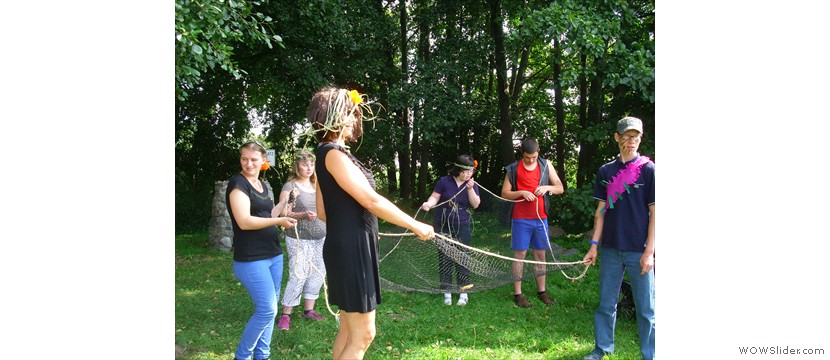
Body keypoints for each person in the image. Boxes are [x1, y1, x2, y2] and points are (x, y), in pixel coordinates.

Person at [308, 87, 435, 360]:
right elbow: (371, 200)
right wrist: (415, 225)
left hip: (345, 245)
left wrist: (361, 228)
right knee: (363, 335)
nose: (355, 119)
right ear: (336, 117)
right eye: (351, 114)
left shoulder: (324, 154)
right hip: (352, 250)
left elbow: (323, 211)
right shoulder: (334, 155)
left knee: (348, 331)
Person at [582, 116, 655, 360]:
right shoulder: (606, 171)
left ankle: (651, 355)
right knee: (606, 305)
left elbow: (656, 214)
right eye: (626, 136)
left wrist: (649, 252)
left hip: (639, 250)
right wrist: (594, 245)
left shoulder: (648, 170)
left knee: (646, 309)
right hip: (611, 249)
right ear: (617, 137)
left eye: (636, 136)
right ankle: (602, 349)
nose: (631, 141)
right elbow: (600, 212)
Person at [226, 141, 298, 360]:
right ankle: (242, 356)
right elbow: (244, 221)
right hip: (251, 258)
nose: (249, 164)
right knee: (267, 310)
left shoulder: (263, 185)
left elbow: (268, 215)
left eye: (254, 159)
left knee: (270, 310)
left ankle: (262, 355)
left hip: (273, 254)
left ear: (263, 161)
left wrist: (284, 203)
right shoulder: (238, 184)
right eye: (244, 159)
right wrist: (279, 221)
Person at [501, 138, 564, 308]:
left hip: (541, 219)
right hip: (521, 218)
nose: (531, 160)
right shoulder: (513, 168)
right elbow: (505, 193)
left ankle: (542, 292)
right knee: (520, 255)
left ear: (538, 152)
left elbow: (560, 188)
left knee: (540, 255)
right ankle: (518, 294)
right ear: (522, 154)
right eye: (527, 157)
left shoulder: (545, 165)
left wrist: (547, 188)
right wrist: (521, 192)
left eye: (534, 157)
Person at [273, 149, 327, 330]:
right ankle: (285, 314)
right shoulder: (290, 186)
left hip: (321, 236)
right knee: (298, 274)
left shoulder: (318, 185)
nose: (309, 168)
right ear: (297, 166)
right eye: (305, 164)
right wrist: (303, 215)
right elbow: (283, 212)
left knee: (318, 272)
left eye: (311, 164)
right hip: (298, 238)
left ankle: (308, 310)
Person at [421, 155, 481, 306]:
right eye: (465, 171)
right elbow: (435, 197)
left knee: (462, 257)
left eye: (471, 171)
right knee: (444, 257)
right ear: (458, 169)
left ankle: (464, 292)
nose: (468, 174)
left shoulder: (472, 184)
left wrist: (470, 189)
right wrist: (429, 204)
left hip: (462, 225)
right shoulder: (444, 181)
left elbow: (476, 204)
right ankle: (446, 291)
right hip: (443, 224)